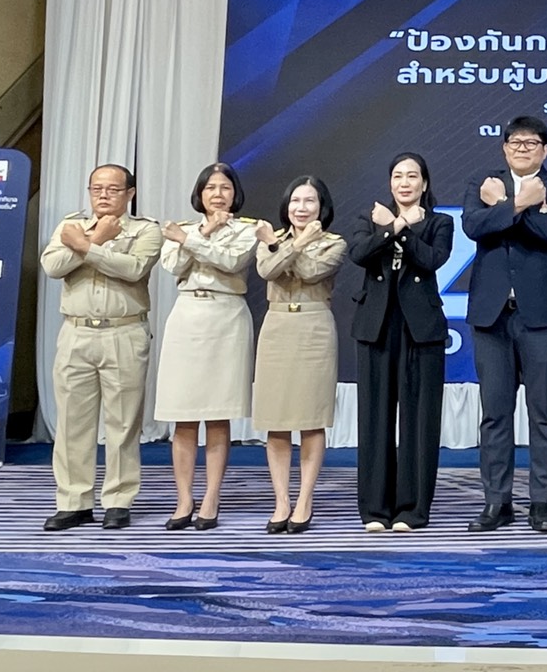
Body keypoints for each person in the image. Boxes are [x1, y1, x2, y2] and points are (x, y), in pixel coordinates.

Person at [460, 115, 547, 534]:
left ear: (545, 150)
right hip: (492, 315)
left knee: (544, 412)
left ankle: (542, 503)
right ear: (504, 147)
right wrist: (521, 203)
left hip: (543, 316)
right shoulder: (483, 181)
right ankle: (497, 501)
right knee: (495, 413)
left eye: (531, 143)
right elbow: (473, 227)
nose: (522, 148)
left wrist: (505, 206)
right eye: (515, 142)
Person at [40, 164, 163, 531]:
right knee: (71, 423)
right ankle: (73, 502)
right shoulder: (71, 225)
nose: (104, 195)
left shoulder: (145, 229)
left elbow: (133, 269)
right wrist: (94, 240)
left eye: (113, 189)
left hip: (123, 332)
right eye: (97, 189)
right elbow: (52, 266)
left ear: (130, 193)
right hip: (75, 332)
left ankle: (118, 500)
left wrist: (85, 247)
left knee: (123, 422)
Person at [348, 152, 454, 533]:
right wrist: (391, 227)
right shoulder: (370, 217)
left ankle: (412, 509)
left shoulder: (439, 222)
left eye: (412, 176)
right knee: (374, 417)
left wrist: (401, 229)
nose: (404, 183)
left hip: (421, 328)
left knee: (419, 419)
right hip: (376, 326)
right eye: (397, 176)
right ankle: (375, 509)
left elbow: (431, 260)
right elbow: (359, 253)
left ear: (424, 183)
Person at [155, 162, 258, 531]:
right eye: (211, 187)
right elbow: (173, 265)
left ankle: (211, 497)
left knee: (218, 414)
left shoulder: (247, 231)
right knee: (183, 414)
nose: (218, 194)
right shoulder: (183, 229)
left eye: (225, 187)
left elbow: (231, 262)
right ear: (199, 194)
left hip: (227, 317)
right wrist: (200, 233)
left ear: (235, 193)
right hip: (187, 315)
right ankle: (184, 498)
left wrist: (196, 240)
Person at [252, 176, 345, 535]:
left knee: (310, 418)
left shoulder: (334, 243)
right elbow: (267, 270)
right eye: (295, 201)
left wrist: (290, 246)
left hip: (314, 327)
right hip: (277, 326)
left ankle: (305, 499)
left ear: (322, 207)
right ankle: (281, 501)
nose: (301, 208)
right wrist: (289, 244)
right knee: (276, 419)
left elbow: (310, 272)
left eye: (309, 201)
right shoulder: (270, 237)